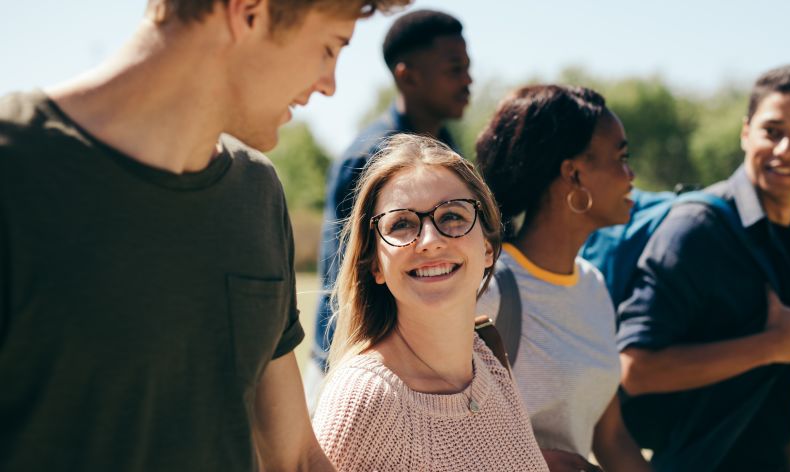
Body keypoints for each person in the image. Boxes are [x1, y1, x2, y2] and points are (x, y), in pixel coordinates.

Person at [0, 0, 407, 470]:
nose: (329, 85)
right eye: (329, 48)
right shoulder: (15, 171)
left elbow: (293, 459)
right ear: (248, 13)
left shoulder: (257, 191)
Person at [615, 64, 790, 471]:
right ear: (745, 133)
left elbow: (779, 390)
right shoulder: (696, 230)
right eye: (772, 131)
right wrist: (772, 345)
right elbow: (635, 369)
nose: (786, 149)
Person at [311, 134, 547, 471]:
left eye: (452, 216)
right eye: (402, 224)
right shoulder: (363, 400)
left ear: (488, 248)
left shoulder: (487, 360)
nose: (430, 241)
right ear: (375, 264)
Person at [475, 85, 651, 471]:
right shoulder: (486, 289)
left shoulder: (593, 285)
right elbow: (434, 430)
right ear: (573, 174)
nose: (630, 175)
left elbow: (611, 436)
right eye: (621, 158)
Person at [309, 9, 472, 393]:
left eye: (468, 68)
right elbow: (348, 278)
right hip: (356, 368)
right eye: (454, 69)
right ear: (407, 75)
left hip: (425, 363)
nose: (468, 81)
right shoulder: (367, 158)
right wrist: (353, 376)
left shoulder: (449, 150)